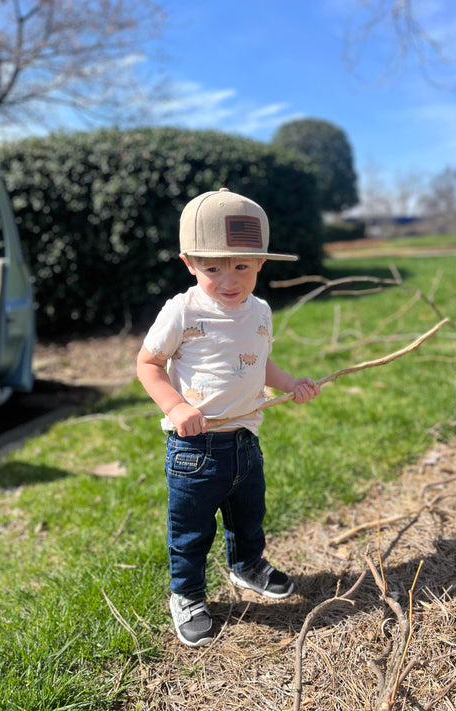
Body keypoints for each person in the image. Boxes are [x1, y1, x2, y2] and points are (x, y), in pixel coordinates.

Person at [137, 188, 320, 647]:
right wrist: (176, 407)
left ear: (261, 263)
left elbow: (260, 363)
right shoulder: (183, 311)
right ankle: (189, 594)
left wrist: (290, 382)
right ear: (189, 264)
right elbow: (148, 365)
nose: (228, 279)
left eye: (241, 266)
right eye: (212, 268)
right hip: (195, 449)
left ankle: (247, 565)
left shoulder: (259, 311)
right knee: (192, 529)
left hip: (244, 441)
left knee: (248, 515)